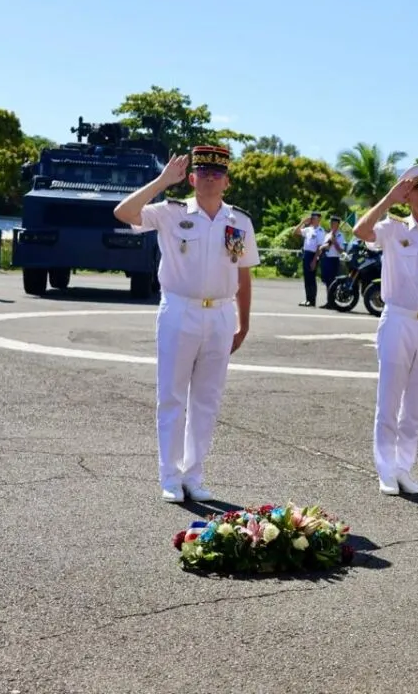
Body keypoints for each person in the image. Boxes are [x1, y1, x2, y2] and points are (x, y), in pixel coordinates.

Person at [113, 146, 259, 503]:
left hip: (221, 314)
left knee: (207, 399)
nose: (210, 178)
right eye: (203, 173)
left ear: (226, 182)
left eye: (217, 174)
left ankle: (194, 475)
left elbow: (243, 274)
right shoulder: (170, 212)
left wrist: (244, 324)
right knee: (172, 396)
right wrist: (162, 181)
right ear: (192, 178)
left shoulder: (239, 221)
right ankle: (170, 476)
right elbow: (123, 212)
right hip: (180, 310)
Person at [352, 163, 418, 496]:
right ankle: (385, 469)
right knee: (389, 399)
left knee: (415, 404)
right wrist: (388, 199)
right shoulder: (394, 229)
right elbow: (360, 231)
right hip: (398, 320)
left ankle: (403, 468)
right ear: (408, 196)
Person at [292, 211, 325, 307]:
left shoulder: (320, 231)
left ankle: (312, 300)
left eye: (314, 218)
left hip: (313, 255)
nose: (312, 220)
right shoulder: (309, 229)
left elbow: (319, 247)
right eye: (312, 218)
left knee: (311, 278)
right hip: (306, 254)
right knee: (307, 278)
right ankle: (308, 299)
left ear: (319, 219)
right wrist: (302, 222)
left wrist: (314, 260)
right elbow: (295, 232)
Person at [316, 215, 346, 307]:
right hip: (326, 259)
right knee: (327, 282)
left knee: (333, 282)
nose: (332, 224)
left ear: (338, 224)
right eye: (331, 223)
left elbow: (341, 251)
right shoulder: (327, 235)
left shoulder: (340, 236)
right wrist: (325, 246)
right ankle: (329, 302)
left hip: (334, 260)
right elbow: (324, 246)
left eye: (334, 223)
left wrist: (335, 242)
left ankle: (332, 302)